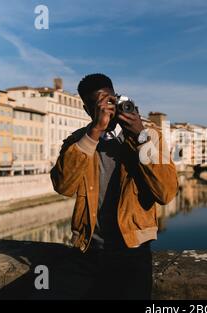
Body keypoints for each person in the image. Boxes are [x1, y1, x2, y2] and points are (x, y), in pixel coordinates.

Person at [48, 73, 178, 299]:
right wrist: (94, 132)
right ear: (88, 110)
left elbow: (165, 192)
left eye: (110, 100)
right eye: (98, 105)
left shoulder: (149, 135)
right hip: (89, 251)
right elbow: (63, 186)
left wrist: (140, 137)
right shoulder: (78, 141)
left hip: (134, 251)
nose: (107, 108)